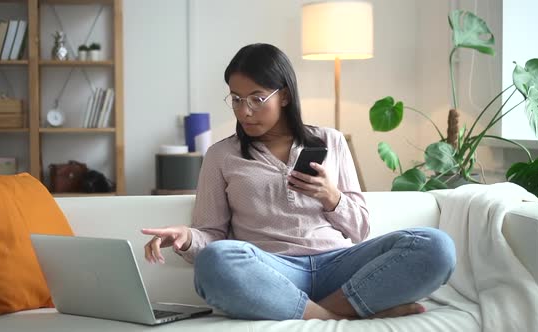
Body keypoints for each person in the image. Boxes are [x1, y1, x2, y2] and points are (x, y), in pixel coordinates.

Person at [142, 43, 456, 321]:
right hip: (271, 271)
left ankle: (311, 310)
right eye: (236, 99)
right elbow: (213, 236)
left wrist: (331, 197)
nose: (245, 111)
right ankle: (335, 313)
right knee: (216, 261)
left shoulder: (330, 140)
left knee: (436, 246)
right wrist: (186, 238)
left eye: (257, 98)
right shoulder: (221, 155)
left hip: (338, 264)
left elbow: (360, 229)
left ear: (285, 95)